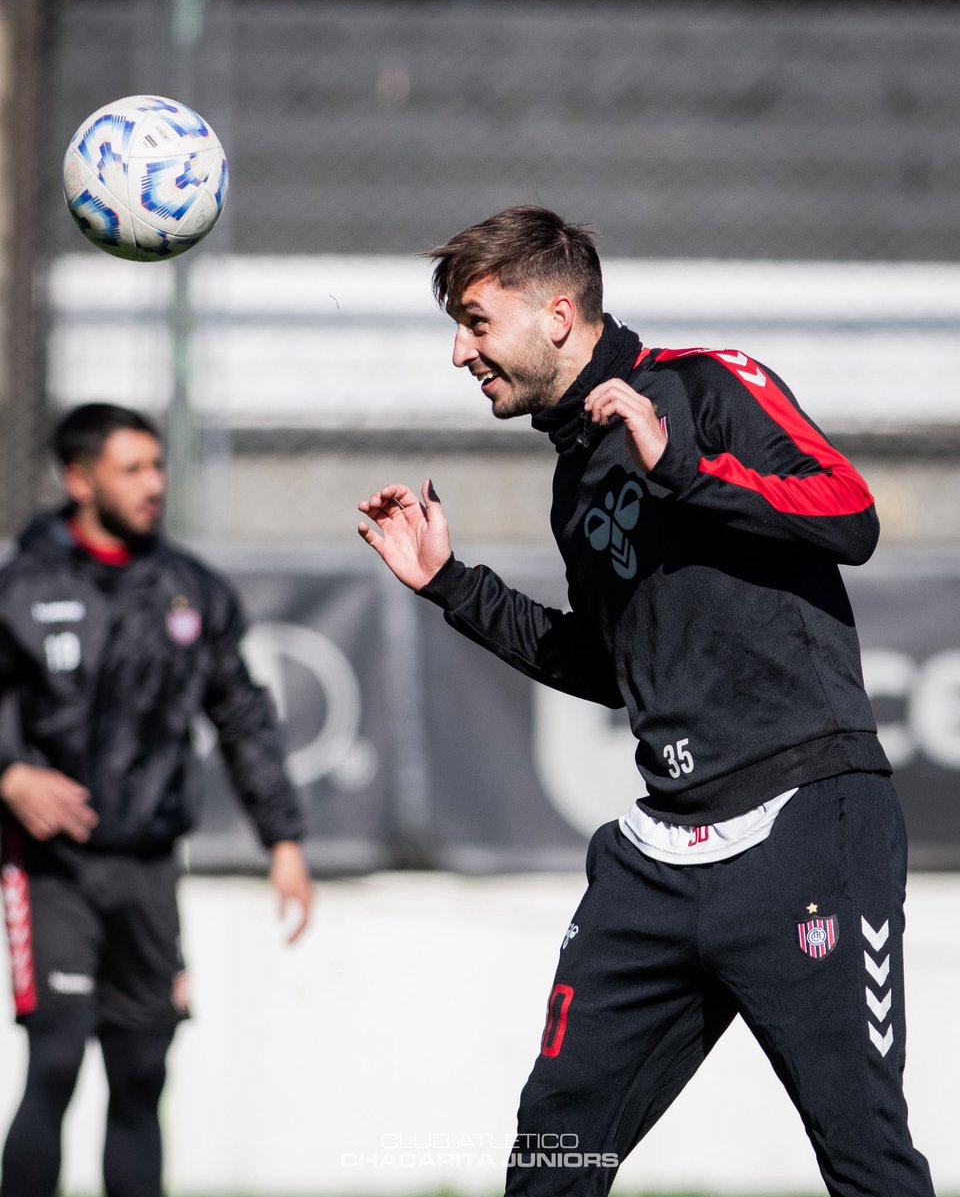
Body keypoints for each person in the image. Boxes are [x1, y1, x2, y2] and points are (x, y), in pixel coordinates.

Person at [358, 206, 935, 1196]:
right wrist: (455, 587)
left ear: (558, 312)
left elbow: (850, 512)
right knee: (552, 1158)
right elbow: (610, 666)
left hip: (806, 823)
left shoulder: (705, 384)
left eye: (475, 321)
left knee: (866, 1157)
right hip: (660, 860)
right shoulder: (574, 474)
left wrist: (688, 469)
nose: (459, 352)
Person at [0, 402, 312, 1197]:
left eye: (158, 466)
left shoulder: (188, 591)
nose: (153, 485)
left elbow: (241, 716)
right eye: (131, 469)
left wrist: (283, 842)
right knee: (59, 1059)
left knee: (141, 1077)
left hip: (150, 871)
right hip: (52, 869)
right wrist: (10, 774)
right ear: (78, 479)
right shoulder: (22, 586)